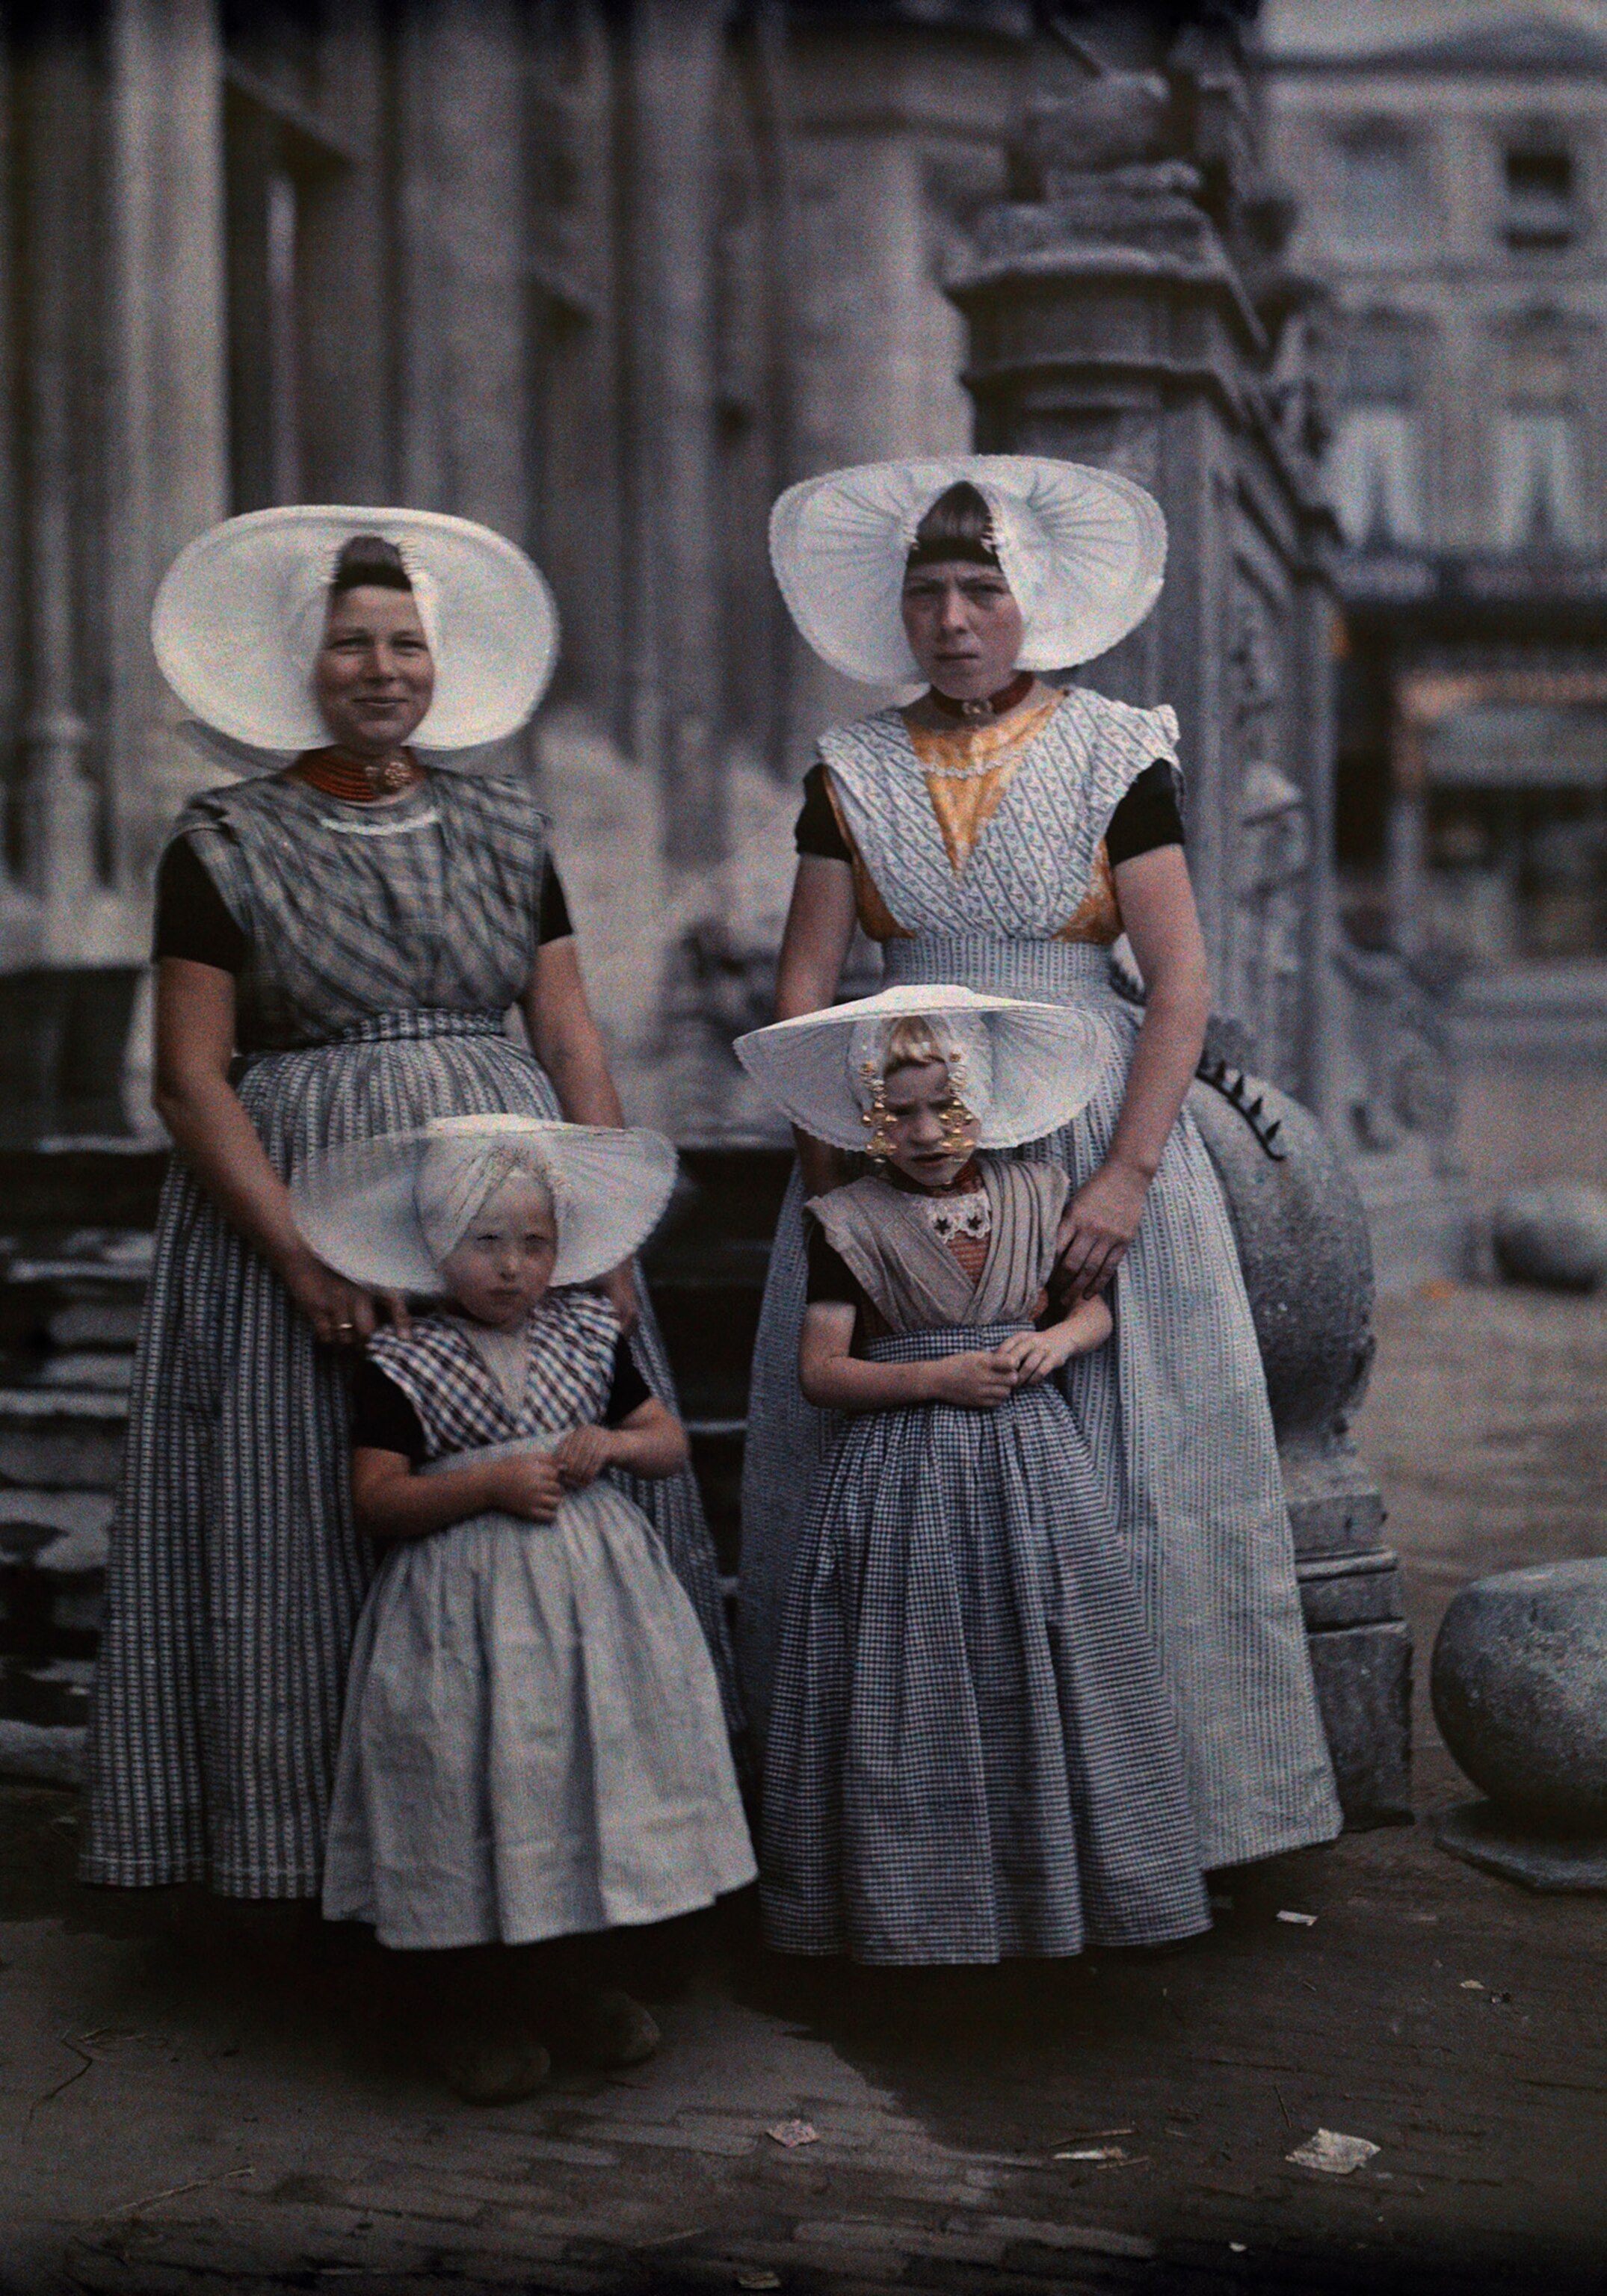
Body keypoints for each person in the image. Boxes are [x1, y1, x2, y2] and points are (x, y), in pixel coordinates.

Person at [82, 507, 739, 1910]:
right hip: (311, 1221)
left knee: (543, 1547)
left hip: (516, 1211)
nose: (381, 669)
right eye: (350, 643)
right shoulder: (225, 842)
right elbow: (190, 1081)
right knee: (320, 1531)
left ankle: (574, 1892)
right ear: (300, 663)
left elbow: (568, 1042)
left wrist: (607, 1228)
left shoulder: (508, 826)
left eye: (405, 643)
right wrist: (299, 1252)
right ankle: (353, 1900)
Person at [740, 457, 1340, 1873]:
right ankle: (926, 1833)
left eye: (982, 586)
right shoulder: (852, 771)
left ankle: (1144, 1824)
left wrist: (1126, 1177)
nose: (954, 618)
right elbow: (807, 983)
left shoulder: (1113, 750)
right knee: (899, 1484)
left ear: (1030, 603)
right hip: (898, 1124)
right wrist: (845, 1214)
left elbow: (1180, 980)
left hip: (1080, 1128)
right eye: (928, 590)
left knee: (1110, 1472)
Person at [734, 987, 1209, 1965]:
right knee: (915, 1675)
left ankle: (1057, 1897)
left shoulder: (1034, 1192)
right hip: (903, 1474)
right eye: (896, 1112)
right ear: (868, 1118)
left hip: (1031, 1468)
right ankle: (919, 1908)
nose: (922, 1132)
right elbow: (820, 1372)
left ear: (981, 1103)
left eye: (943, 1108)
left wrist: (1057, 1343)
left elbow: (1091, 1311)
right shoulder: (847, 1222)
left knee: (1046, 1659)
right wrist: (934, 1376)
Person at [291, 1114, 754, 2102]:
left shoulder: (590, 1332)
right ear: (434, 1249)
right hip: (464, 1610)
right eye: (483, 1243)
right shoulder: (402, 1362)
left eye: (533, 1244)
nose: (510, 1268)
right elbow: (377, 1498)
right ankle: (470, 2004)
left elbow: (665, 1440)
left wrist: (612, 1447)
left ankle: (572, 1986)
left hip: (596, 1607)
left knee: (581, 1778)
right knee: (476, 1783)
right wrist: (488, 1487)